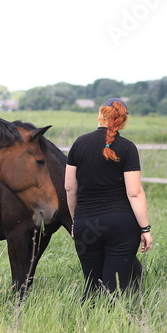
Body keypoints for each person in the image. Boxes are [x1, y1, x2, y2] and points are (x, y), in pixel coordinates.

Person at [65, 98, 153, 296]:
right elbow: (134, 192)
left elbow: (70, 188)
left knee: (92, 287)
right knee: (115, 288)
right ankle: (114, 323)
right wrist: (145, 229)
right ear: (123, 121)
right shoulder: (128, 148)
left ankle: (86, 323)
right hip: (120, 225)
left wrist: (74, 222)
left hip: (85, 223)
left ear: (100, 114)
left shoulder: (79, 144)